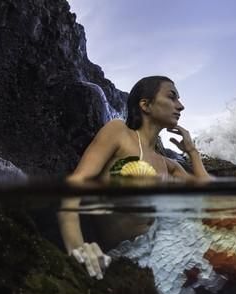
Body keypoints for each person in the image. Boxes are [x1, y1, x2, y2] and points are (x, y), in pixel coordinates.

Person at [58, 76, 211, 280]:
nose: (180, 106)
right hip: (130, 259)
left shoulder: (166, 163)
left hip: (170, 249)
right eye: (172, 97)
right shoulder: (119, 132)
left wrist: (192, 152)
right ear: (145, 105)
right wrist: (77, 246)